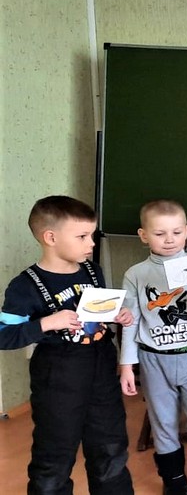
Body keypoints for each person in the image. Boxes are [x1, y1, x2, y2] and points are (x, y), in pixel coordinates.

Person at [0, 195, 134, 493]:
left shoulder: (92, 271)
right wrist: (47, 323)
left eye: (92, 235)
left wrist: (116, 315)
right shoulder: (24, 286)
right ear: (51, 238)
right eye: (82, 236)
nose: (92, 244)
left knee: (111, 448)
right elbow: (4, 335)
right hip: (57, 381)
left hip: (101, 374)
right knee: (54, 456)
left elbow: (94, 317)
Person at [118, 199, 187, 494]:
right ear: (143, 235)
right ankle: (174, 479)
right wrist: (126, 365)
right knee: (163, 422)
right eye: (160, 233)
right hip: (154, 359)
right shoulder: (136, 274)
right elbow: (130, 322)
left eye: (176, 232)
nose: (169, 240)